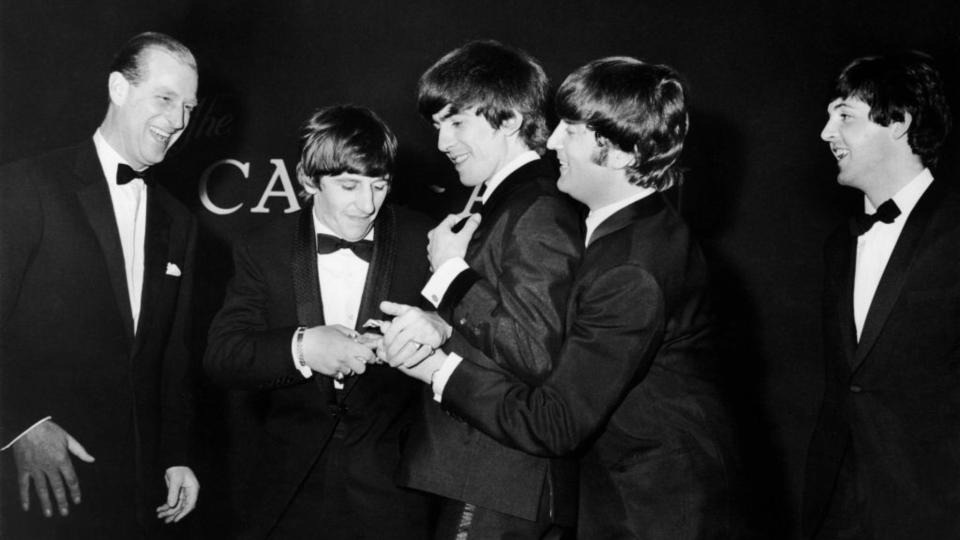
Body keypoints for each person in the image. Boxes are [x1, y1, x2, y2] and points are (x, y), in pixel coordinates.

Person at [387, 56, 741, 539]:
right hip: (620, 491)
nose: (550, 140)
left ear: (618, 153)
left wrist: (437, 363)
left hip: (646, 508)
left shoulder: (631, 264)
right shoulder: (625, 231)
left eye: (569, 130)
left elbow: (552, 410)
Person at [0, 32, 201, 539]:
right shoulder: (27, 186)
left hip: (137, 490)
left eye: (189, 107)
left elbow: (172, 354)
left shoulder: (180, 221)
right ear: (117, 87)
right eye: (165, 98)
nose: (178, 121)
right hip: (35, 488)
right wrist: (19, 427)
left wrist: (177, 455)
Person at [203, 105, 436, 539]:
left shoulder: (425, 239)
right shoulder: (262, 248)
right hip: (286, 492)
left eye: (379, 185)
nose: (366, 204)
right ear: (309, 180)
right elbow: (224, 356)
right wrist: (304, 347)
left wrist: (436, 327)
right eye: (349, 185)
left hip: (394, 495)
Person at [381, 40, 583, 538]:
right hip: (486, 476)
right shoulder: (508, 201)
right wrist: (436, 324)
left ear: (510, 119)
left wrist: (449, 273)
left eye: (457, 122)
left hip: (502, 479)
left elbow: (537, 351)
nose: (443, 142)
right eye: (437, 127)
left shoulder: (538, 206)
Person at [802, 52, 957, 539]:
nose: (826, 133)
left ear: (899, 122)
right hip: (839, 511)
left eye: (844, 115)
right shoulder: (838, 246)